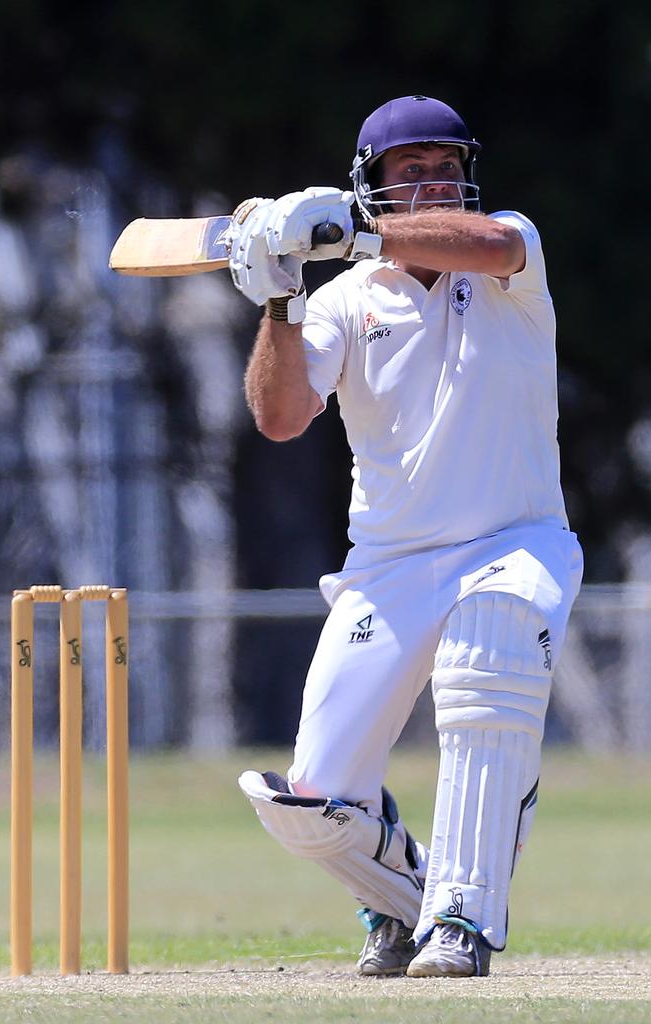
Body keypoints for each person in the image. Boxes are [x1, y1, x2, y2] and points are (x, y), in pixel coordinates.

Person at [227, 95, 583, 978]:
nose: (430, 183)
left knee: (484, 667)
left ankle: (460, 922)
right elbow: (279, 418)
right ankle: (407, 904)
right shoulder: (346, 301)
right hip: (389, 565)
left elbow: (492, 246)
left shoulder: (507, 249)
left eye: (442, 166)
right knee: (309, 801)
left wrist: (356, 233)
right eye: (408, 170)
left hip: (514, 539)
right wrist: (278, 298)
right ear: (372, 181)